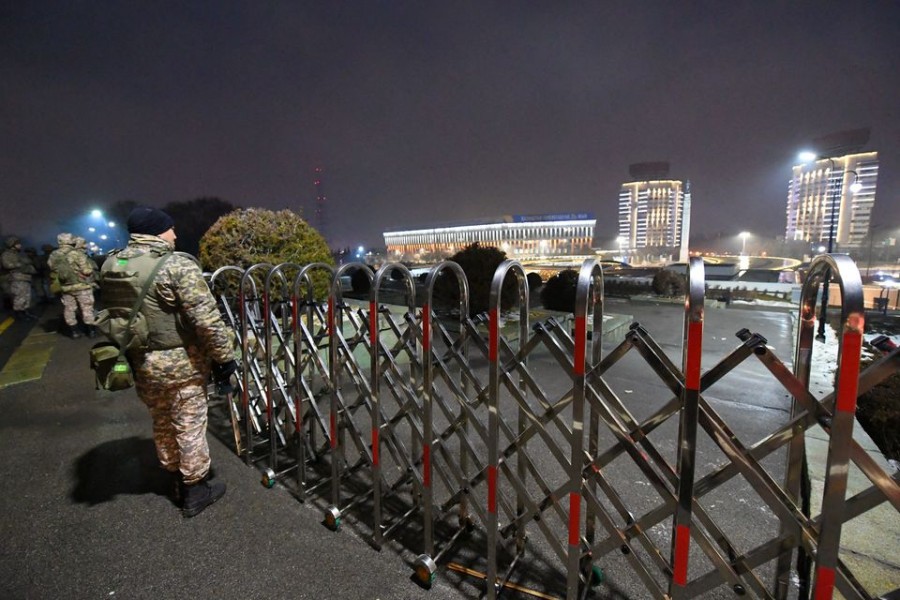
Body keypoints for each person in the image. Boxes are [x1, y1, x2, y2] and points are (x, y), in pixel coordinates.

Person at [98, 206, 236, 518]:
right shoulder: (174, 265)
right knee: (188, 423)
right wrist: (224, 358)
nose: (175, 234)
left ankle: (173, 475)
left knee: (161, 420)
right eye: (170, 229)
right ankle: (195, 489)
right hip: (181, 363)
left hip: (140, 360)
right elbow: (207, 321)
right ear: (158, 232)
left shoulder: (112, 262)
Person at [48, 233, 98, 338]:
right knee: (87, 308)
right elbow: (86, 271)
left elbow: (52, 268)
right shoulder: (77, 254)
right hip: (81, 286)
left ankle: (74, 332)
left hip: (65, 287)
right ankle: (91, 331)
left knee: (69, 309)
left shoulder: (54, 254)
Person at [1, 236, 38, 320]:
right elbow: (6, 265)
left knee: (26, 297)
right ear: (11, 245)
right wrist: (20, 265)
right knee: (19, 297)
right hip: (17, 278)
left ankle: (24, 312)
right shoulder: (6, 254)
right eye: (17, 244)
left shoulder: (18, 254)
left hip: (25, 278)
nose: (20, 245)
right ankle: (19, 314)